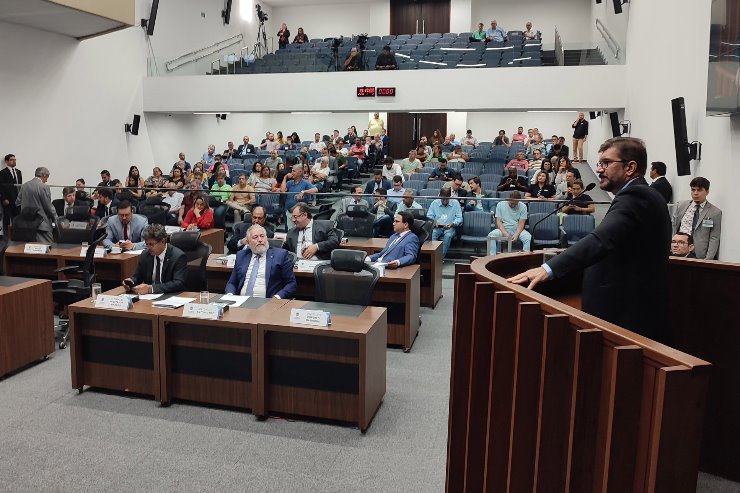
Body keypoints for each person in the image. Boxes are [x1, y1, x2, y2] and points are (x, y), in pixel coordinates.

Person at [507, 137, 672, 344]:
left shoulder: (636, 196)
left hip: (626, 316)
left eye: (606, 163)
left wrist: (547, 269)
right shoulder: (642, 195)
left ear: (630, 167)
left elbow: (601, 240)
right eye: (599, 163)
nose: (599, 169)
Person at [123, 224, 188, 295]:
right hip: (149, 297)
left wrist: (151, 289)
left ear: (163, 242)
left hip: (171, 296)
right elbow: (138, 277)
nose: (148, 248)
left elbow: (179, 283)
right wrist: (131, 282)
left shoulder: (177, 256)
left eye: (151, 244)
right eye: (146, 244)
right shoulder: (145, 255)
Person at [672, 176, 722, 260]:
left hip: (700, 255)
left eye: (699, 190)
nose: (695, 193)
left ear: (707, 192)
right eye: (693, 190)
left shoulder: (715, 212)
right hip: (680, 252)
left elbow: (714, 238)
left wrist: (708, 259)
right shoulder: (681, 205)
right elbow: (673, 227)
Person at [487, 191, 531, 255]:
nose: (513, 205)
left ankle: (524, 259)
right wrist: (505, 233)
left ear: (518, 201)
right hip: (503, 229)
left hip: (517, 230)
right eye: (511, 203)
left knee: (528, 237)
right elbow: (499, 222)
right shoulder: (500, 204)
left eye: (515, 204)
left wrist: (516, 234)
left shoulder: (523, 206)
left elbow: (521, 223)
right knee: (491, 235)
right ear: (509, 198)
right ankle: (491, 257)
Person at [427, 188, 462, 257]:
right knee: (433, 233)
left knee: (448, 235)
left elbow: (459, 218)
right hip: (438, 227)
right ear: (440, 196)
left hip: (450, 227)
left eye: (447, 199)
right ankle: (434, 255)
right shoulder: (434, 203)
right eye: (443, 199)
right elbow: (429, 216)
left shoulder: (455, 203)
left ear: (450, 197)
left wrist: (453, 224)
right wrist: (434, 222)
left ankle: (440, 257)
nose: (445, 201)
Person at [0, 154, 22, 229]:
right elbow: (1, 187)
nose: (14, 161)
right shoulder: (2, 172)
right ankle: (7, 238)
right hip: (8, 200)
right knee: (7, 219)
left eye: (15, 159)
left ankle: (16, 236)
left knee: (17, 219)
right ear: (6, 161)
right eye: (12, 160)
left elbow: (20, 186)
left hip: (18, 200)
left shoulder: (18, 172)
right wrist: (3, 199)